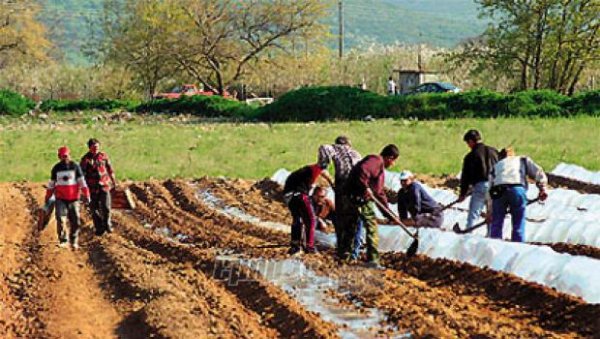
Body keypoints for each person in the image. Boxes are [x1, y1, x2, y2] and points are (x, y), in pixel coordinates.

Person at [344, 144, 400, 269]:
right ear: (390, 158)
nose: (393, 164)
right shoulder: (376, 161)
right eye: (394, 161)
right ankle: (372, 260)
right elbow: (362, 170)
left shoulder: (379, 169)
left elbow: (379, 194)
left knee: (354, 227)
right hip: (359, 199)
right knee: (371, 228)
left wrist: (389, 214)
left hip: (357, 198)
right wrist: (366, 187)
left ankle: (349, 256)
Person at [489, 147, 548, 242]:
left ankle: (494, 248)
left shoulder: (496, 166)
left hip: (498, 191)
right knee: (518, 223)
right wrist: (543, 189)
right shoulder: (522, 160)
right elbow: (538, 173)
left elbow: (490, 188)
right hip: (516, 189)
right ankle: (518, 248)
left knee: (497, 223)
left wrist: (490, 211)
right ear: (513, 154)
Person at [317, 136, 362, 259]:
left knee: (341, 219)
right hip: (358, 187)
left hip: (343, 185)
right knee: (354, 220)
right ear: (349, 144)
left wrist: (331, 181)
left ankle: (343, 251)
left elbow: (322, 163)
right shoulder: (356, 154)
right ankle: (353, 252)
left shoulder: (332, 148)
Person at [45, 146, 90, 249]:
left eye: (66, 155)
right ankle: (63, 240)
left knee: (76, 220)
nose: (65, 158)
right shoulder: (56, 168)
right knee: (60, 219)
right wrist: (47, 197)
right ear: (59, 157)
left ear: (69, 155)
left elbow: (82, 182)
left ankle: (74, 240)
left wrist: (87, 194)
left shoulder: (75, 167)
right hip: (60, 198)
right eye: (62, 156)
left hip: (74, 199)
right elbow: (52, 184)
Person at [283, 163, 331, 255]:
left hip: (288, 196)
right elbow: (325, 174)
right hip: (299, 194)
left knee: (297, 220)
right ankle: (309, 247)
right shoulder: (315, 170)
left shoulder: (305, 171)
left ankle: (295, 246)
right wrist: (332, 183)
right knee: (311, 219)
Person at [457, 129, 498, 230]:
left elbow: (465, 177)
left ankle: (469, 233)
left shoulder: (470, 156)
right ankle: (491, 237)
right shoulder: (494, 151)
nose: (468, 145)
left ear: (471, 141)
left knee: (474, 214)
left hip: (480, 186)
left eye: (468, 143)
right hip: (495, 186)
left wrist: (463, 194)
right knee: (491, 214)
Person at [80, 138, 117, 236]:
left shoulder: (103, 156)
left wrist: (114, 181)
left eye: (97, 147)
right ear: (89, 148)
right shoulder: (85, 159)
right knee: (94, 209)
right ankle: (99, 228)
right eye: (93, 147)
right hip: (91, 188)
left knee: (106, 207)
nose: (96, 149)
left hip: (104, 185)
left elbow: (110, 169)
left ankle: (107, 224)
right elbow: (82, 174)